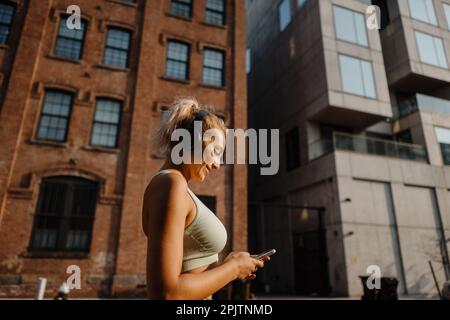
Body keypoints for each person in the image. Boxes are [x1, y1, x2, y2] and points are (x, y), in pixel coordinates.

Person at [142, 97, 269, 300]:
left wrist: (231, 262)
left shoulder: (178, 187)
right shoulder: (170, 185)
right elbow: (166, 293)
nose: (217, 164)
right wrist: (234, 268)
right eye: (215, 152)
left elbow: (191, 271)